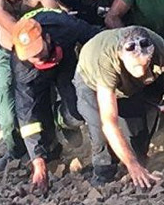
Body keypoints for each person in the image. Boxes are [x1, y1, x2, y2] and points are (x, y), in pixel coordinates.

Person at [74, 26, 164, 188]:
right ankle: (103, 175)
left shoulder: (158, 45)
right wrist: (132, 164)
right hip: (90, 79)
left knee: (137, 137)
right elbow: (109, 122)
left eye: (145, 64)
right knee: (98, 128)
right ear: (121, 54)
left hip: (129, 85)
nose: (141, 70)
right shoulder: (106, 61)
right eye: (136, 66)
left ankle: (136, 165)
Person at [11, 11, 100, 193]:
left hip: (65, 62)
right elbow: (26, 113)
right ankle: (51, 148)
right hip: (37, 80)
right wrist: (37, 160)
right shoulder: (22, 68)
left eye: (38, 51)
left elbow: (96, 38)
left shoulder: (65, 27)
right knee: (41, 120)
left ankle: (63, 117)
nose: (37, 59)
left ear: (48, 38)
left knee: (78, 110)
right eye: (31, 56)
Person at [0, 0, 58, 169]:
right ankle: (15, 151)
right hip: (8, 54)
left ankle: (49, 147)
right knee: (7, 106)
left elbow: (54, 14)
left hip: (36, 56)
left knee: (43, 101)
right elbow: (14, 29)